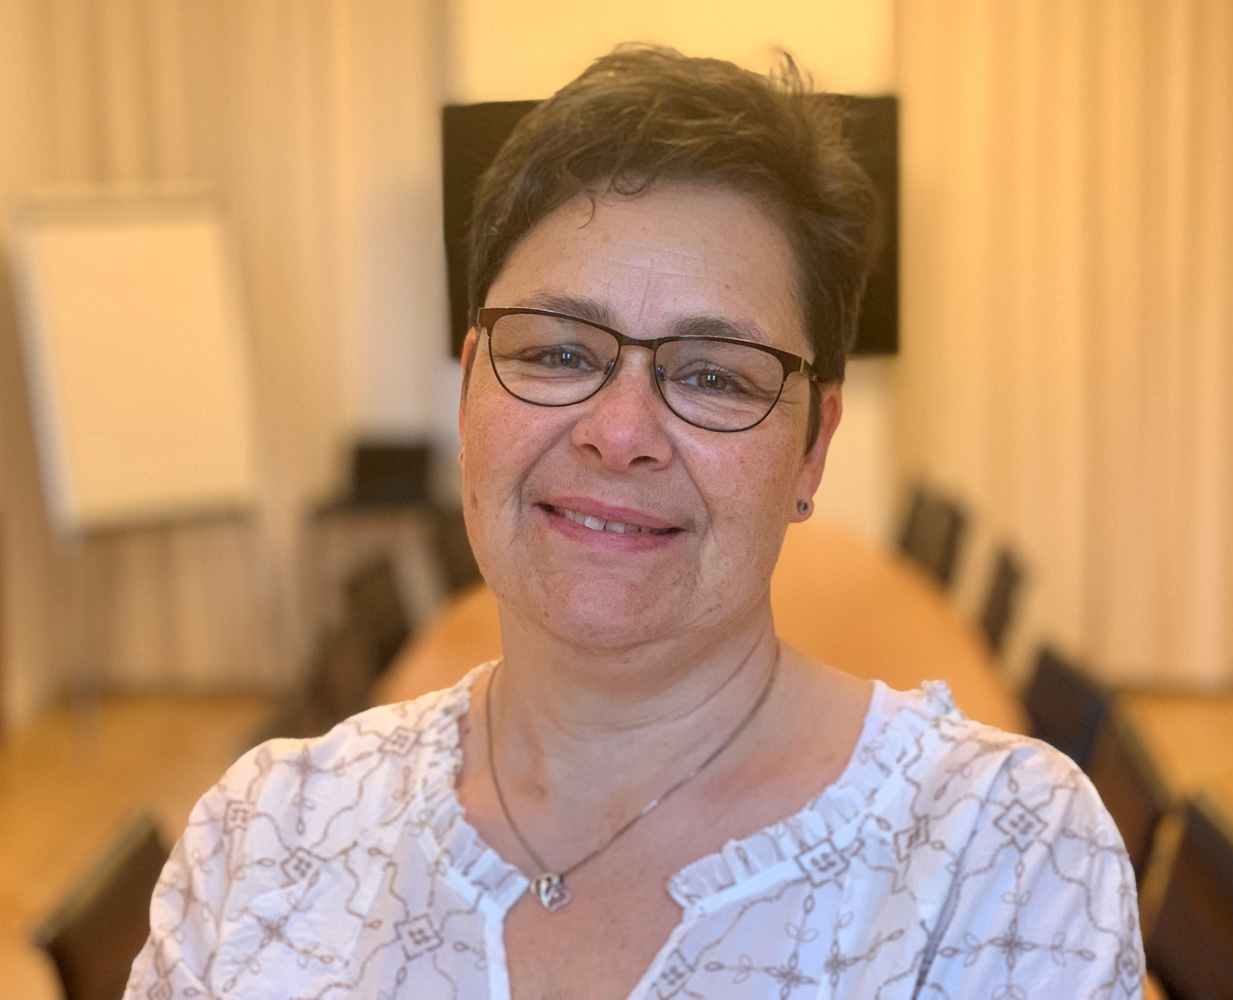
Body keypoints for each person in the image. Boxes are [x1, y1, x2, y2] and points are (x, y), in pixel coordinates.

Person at [126, 46, 1144, 999]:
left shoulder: (1001, 865)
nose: (618, 435)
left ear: (812, 449)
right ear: (470, 393)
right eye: (558, 353)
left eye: (713, 376)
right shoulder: (262, 841)